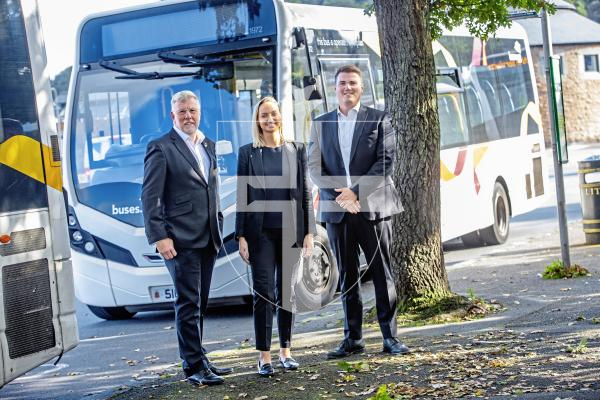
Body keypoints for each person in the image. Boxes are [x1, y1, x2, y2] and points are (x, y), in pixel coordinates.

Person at [308, 65, 409, 358]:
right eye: (342, 83)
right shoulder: (320, 123)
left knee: (382, 274)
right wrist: (343, 197)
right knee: (348, 278)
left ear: (361, 88)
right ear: (334, 87)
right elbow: (314, 168)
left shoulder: (379, 120)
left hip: (374, 207)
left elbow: (385, 162)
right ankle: (353, 338)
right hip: (338, 211)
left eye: (353, 83)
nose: (347, 88)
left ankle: (390, 338)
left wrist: (356, 192)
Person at [141, 90, 233, 386]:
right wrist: (159, 236)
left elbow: (210, 188)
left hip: (208, 236)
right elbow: (149, 196)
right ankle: (193, 366)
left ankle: (200, 357)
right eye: (182, 112)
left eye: (192, 110)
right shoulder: (161, 147)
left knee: (200, 303)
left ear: (199, 112)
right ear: (173, 116)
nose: (188, 116)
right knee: (188, 303)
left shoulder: (207, 144)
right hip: (179, 240)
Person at [235, 96, 315, 376]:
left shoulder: (297, 149)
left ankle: (286, 351)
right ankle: (264, 356)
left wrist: (309, 232)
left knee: (287, 292)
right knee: (264, 294)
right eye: (264, 115)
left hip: (291, 231)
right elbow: (242, 196)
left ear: (281, 116)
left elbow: (305, 193)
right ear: (258, 121)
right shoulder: (248, 153)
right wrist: (240, 235)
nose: (270, 119)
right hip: (260, 234)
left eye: (274, 114)